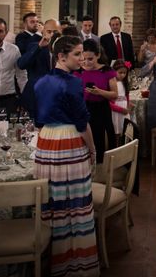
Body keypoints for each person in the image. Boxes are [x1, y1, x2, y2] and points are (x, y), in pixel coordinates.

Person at [34, 35, 99, 276]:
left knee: (54, 202)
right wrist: (92, 149)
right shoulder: (73, 82)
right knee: (75, 204)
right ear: (61, 56)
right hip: (69, 141)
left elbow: (38, 120)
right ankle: (75, 263)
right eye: (77, 54)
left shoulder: (40, 82)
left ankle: (53, 261)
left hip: (46, 140)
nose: (82, 58)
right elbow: (82, 123)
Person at [75, 40, 118, 163]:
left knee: (100, 141)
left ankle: (101, 169)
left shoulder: (106, 70)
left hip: (101, 109)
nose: (87, 62)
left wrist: (99, 92)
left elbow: (115, 95)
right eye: (84, 58)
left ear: (98, 55)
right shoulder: (77, 71)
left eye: (91, 59)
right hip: (83, 109)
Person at [17, 19, 61, 120]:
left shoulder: (66, 50)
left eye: (55, 32)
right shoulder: (35, 46)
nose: (52, 35)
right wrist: (39, 47)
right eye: (49, 32)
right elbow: (21, 64)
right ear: (43, 31)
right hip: (35, 97)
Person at [110, 59, 134, 142]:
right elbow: (109, 103)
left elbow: (126, 97)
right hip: (116, 112)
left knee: (125, 131)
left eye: (125, 73)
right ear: (114, 71)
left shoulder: (125, 83)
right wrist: (121, 109)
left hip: (124, 111)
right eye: (120, 72)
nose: (123, 75)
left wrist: (128, 107)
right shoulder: (112, 83)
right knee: (116, 132)